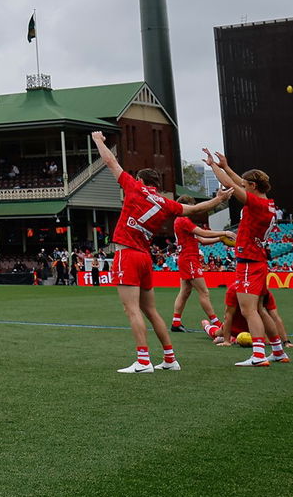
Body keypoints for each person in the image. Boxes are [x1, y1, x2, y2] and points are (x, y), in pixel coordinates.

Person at [93, 131, 227, 373]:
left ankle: (143, 361)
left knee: (131, 309)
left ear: (141, 181)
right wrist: (218, 200)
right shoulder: (167, 203)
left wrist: (99, 141)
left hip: (127, 254)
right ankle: (169, 358)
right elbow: (195, 208)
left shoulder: (134, 188)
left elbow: (110, 162)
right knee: (150, 310)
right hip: (145, 258)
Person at [200, 150, 286, 367]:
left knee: (248, 310)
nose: (243, 185)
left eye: (247, 184)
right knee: (259, 309)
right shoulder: (267, 203)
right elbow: (237, 181)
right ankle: (277, 351)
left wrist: (213, 166)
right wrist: (226, 166)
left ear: (253, 186)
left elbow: (230, 184)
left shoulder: (256, 205)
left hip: (248, 261)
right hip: (258, 260)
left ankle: (258, 355)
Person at [169, 210, 220, 334]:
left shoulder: (180, 221)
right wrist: (224, 233)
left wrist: (220, 238)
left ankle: (176, 323)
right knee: (204, 292)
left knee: (185, 292)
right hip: (189, 259)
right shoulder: (184, 220)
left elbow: (201, 240)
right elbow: (203, 234)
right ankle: (217, 323)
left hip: (186, 259)